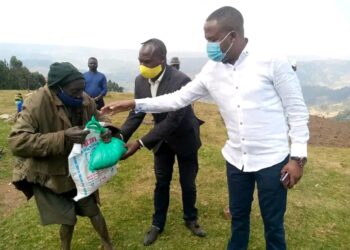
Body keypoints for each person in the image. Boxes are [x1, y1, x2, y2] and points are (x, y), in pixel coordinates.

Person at [101, 6, 309, 250]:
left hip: (273, 160)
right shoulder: (212, 69)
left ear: (232, 36)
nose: (208, 45)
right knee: (239, 218)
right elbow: (178, 98)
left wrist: (297, 158)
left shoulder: (272, 61)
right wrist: (135, 103)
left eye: (212, 39)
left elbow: (296, 110)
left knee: (273, 224)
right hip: (236, 160)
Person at [9, 62, 116, 250]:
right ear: (57, 88)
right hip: (53, 173)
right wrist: (62, 138)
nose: (80, 95)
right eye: (75, 91)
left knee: (92, 209)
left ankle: (107, 244)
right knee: (67, 218)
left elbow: (100, 118)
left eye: (82, 90)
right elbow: (17, 141)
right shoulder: (36, 103)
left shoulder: (83, 99)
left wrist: (106, 130)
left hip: (80, 171)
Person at [119, 38, 206, 246]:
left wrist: (139, 143)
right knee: (161, 182)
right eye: (140, 60)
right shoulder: (140, 81)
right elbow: (136, 113)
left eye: (147, 61)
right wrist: (119, 137)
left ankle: (191, 218)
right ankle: (157, 224)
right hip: (161, 141)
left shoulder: (180, 81)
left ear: (162, 59)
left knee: (188, 182)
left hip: (184, 137)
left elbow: (174, 120)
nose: (143, 66)